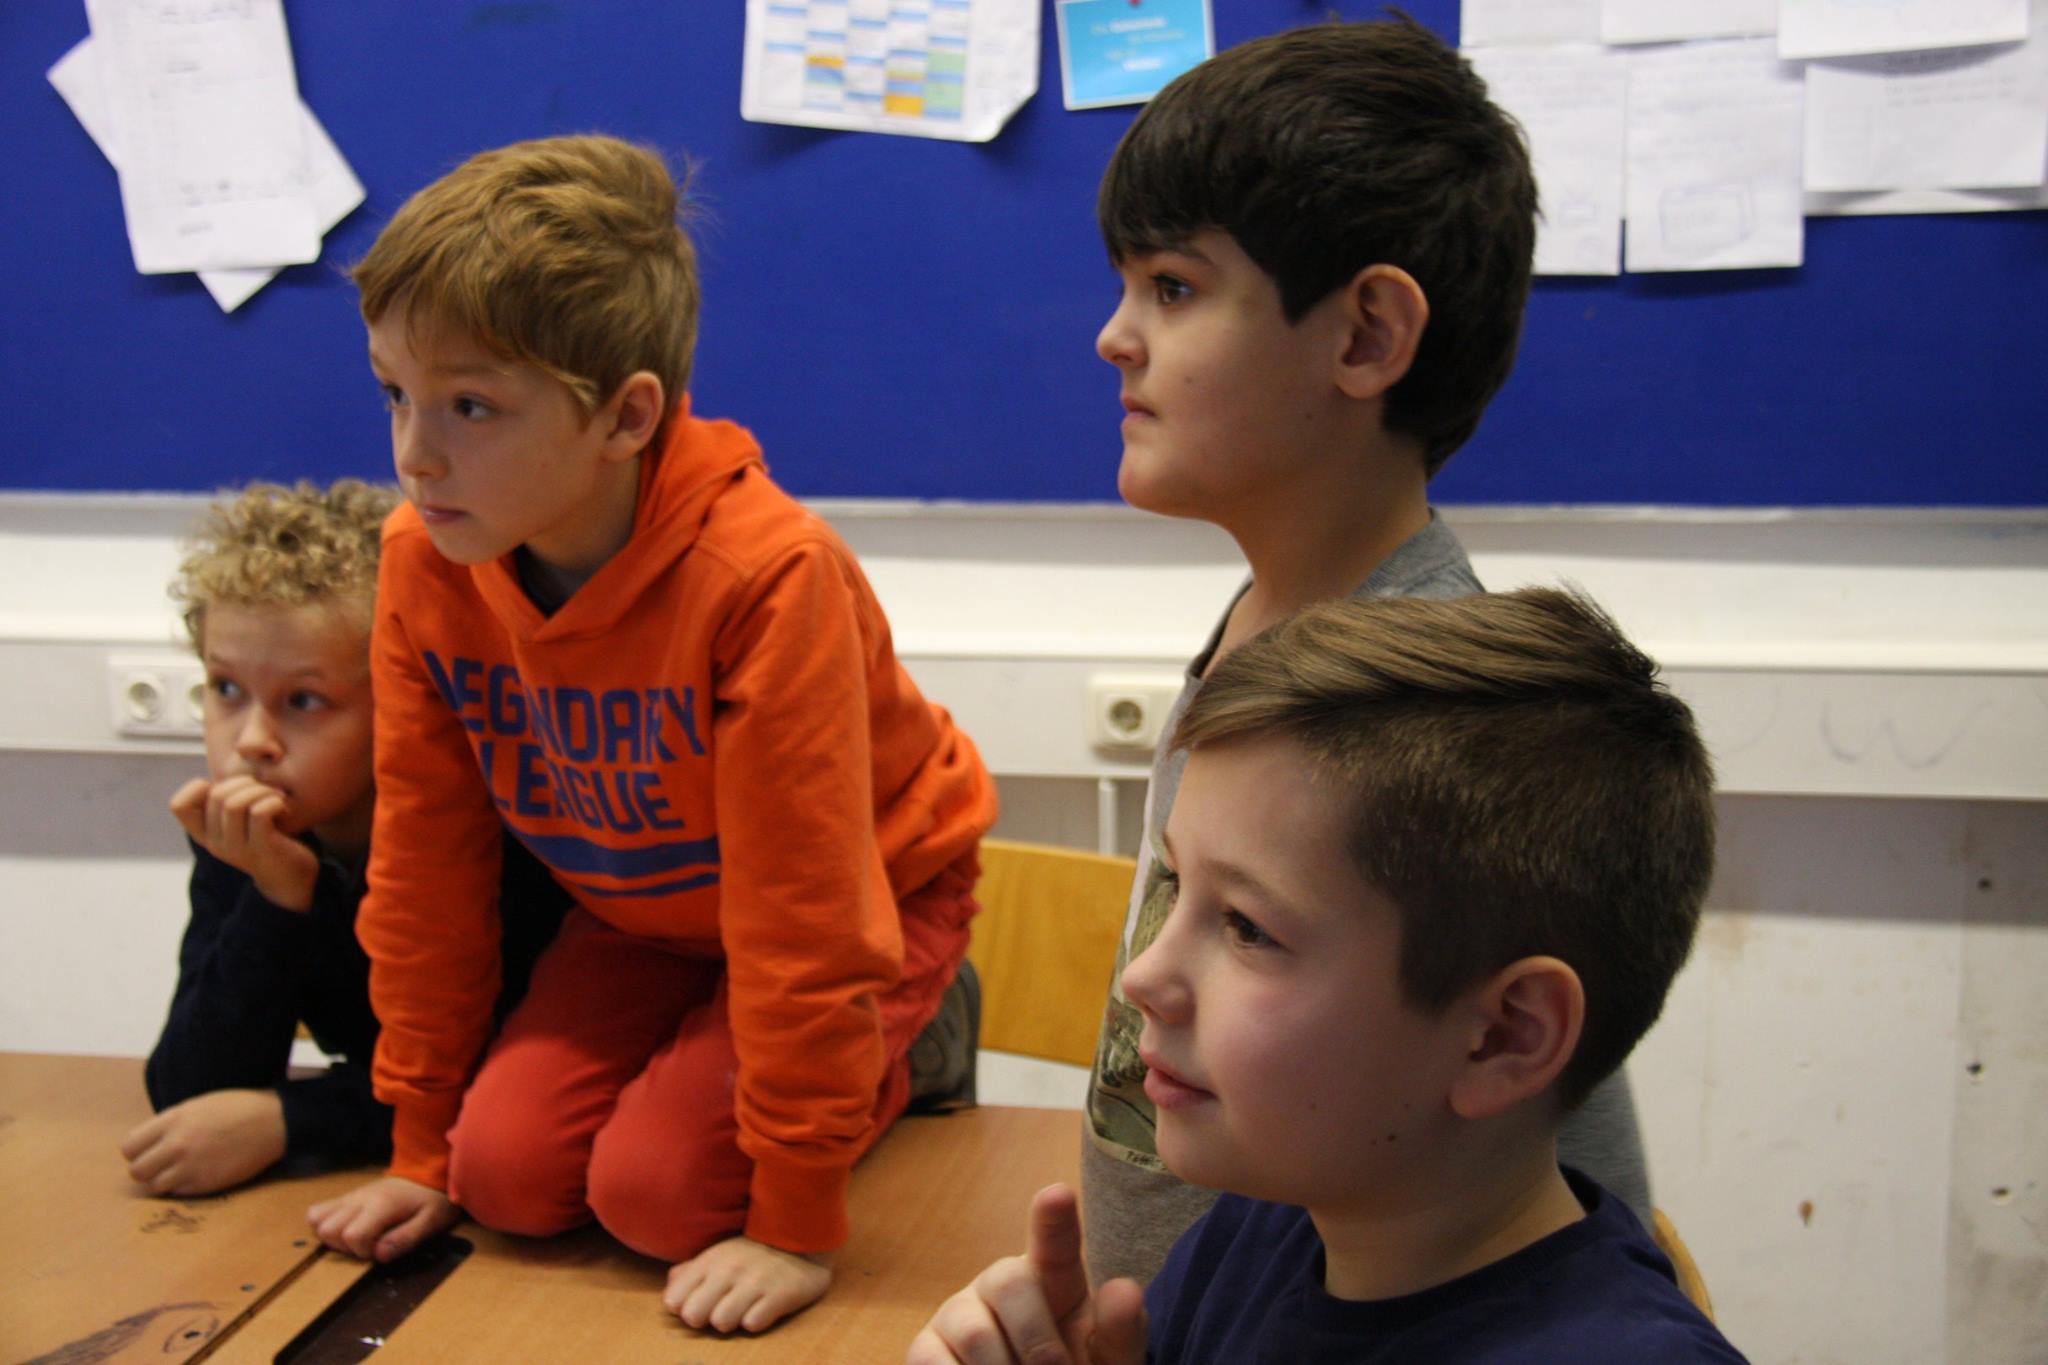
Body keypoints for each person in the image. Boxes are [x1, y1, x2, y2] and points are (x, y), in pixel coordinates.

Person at [306, 134, 998, 1335]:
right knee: (501, 1178)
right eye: (394, 394)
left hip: (869, 904)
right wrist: (419, 1145)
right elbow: (423, 869)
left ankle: (912, 1035)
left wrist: (793, 1218)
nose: (414, 454)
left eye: (470, 406)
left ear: (625, 416)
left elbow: (805, 912)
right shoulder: (425, 564)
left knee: (659, 1198)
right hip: (652, 920)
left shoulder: (765, 578)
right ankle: (733, 1072)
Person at [1078, 15, 1655, 1290]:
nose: (1114, 335)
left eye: (1172, 287)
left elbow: (1557, 1168)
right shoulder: (1270, 622)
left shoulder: (1411, 712)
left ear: (1364, 336)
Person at [910, 588, 1744, 1363]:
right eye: (1175, 882)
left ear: (1503, 1035)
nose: (1144, 975)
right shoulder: (1254, 1237)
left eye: (1247, 926)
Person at [122, 479, 566, 1200]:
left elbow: (493, 1080)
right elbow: (190, 1094)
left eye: (303, 701)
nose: (252, 741)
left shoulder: (484, 832)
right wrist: (277, 895)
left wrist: (295, 1120)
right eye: (225, 689)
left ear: (399, 698)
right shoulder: (251, 835)